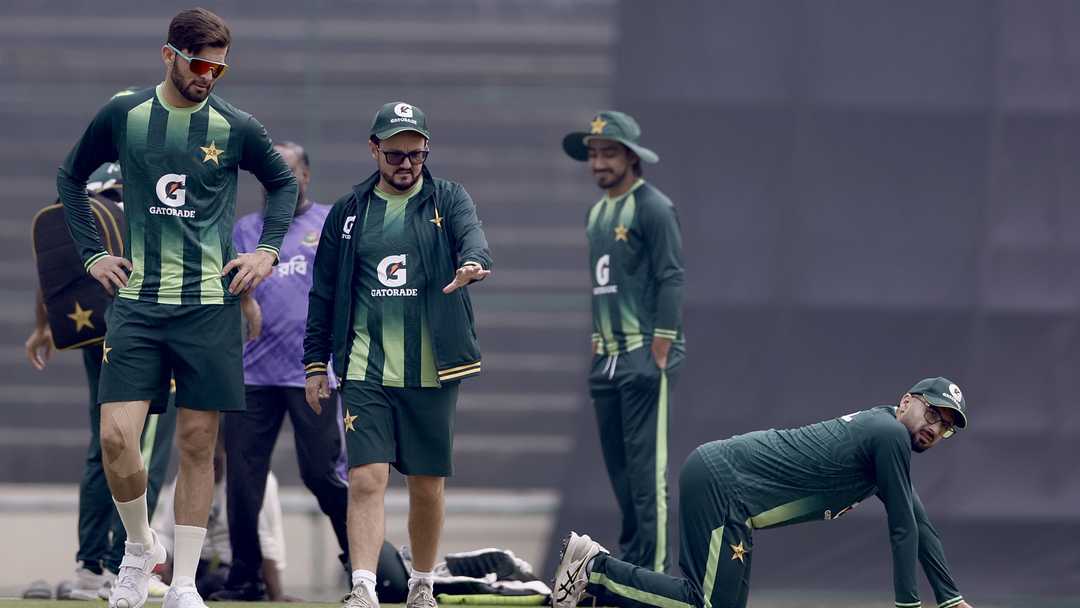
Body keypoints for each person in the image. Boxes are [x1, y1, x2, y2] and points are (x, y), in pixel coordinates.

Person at [55, 8, 298, 608]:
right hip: (139, 304)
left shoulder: (235, 125)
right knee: (117, 438)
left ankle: (184, 584)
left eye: (219, 68)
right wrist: (93, 255)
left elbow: (283, 184)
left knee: (196, 443)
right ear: (169, 56)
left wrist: (267, 251)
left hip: (209, 306)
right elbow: (70, 178)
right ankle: (140, 547)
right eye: (199, 64)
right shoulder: (125, 113)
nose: (208, 77)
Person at [552, 377, 976, 608]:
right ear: (906, 401)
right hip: (723, 484)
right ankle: (595, 570)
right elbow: (902, 529)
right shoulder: (889, 435)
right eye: (932, 413)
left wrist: (951, 599)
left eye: (945, 427)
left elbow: (919, 526)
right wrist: (908, 605)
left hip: (730, 493)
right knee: (703, 607)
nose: (935, 427)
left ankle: (596, 594)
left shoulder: (885, 441)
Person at [303, 101, 492, 608]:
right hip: (365, 367)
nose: (406, 164)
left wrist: (473, 262)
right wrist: (316, 364)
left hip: (433, 368)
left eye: (416, 154)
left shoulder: (448, 197)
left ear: (427, 150)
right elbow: (323, 293)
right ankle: (363, 587)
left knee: (426, 486)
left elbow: (472, 236)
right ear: (374, 149)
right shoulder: (349, 212)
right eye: (394, 154)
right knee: (366, 477)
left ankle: (422, 584)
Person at [26, 163, 177, 601]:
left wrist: (43, 327)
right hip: (143, 330)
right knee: (144, 445)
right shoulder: (156, 185)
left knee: (103, 444)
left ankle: (90, 567)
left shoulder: (84, 190)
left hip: (94, 329)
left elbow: (53, 267)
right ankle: (122, 565)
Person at [210, 141, 350, 601]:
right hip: (253, 376)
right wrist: (243, 303)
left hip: (313, 373)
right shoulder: (245, 231)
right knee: (243, 481)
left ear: (305, 176)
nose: (277, 183)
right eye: (269, 175)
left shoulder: (330, 224)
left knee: (323, 474)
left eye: (286, 173)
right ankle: (244, 579)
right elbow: (228, 288)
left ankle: (362, 564)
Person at [561, 111, 686, 572]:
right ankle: (634, 566)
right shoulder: (596, 213)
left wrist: (661, 345)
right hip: (608, 358)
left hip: (643, 352)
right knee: (620, 472)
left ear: (631, 157)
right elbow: (604, 284)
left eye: (609, 153)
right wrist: (599, 342)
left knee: (646, 473)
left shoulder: (653, 207)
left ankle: (654, 576)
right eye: (593, 154)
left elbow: (671, 277)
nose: (598, 163)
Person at [153, 434, 289, 601]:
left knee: (222, 580)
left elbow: (267, 542)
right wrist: (163, 566)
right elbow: (166, 533)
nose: (211, 467)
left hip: (232, 570)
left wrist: (277, 594)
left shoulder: (258, 481)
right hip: (194, 568)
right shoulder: (184, 481)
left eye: (215, 460)